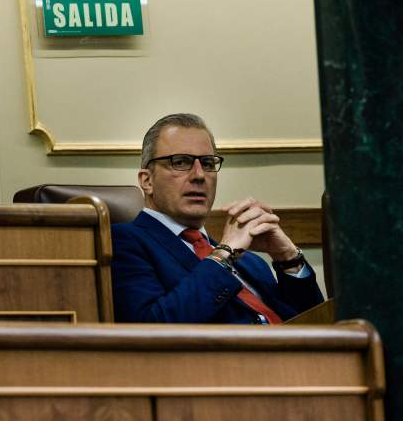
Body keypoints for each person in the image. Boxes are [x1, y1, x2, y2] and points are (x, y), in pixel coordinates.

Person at [111, 113, 324, 324]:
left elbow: (318, 326)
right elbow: (151, 329)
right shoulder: (122, 241)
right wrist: (223, 256)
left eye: (207, 163)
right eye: (181, 162)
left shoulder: (251, 262)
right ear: (147, 181)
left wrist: (288, 259)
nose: (199, 175)